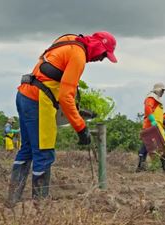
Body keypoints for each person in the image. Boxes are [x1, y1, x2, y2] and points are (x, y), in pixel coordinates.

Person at [7, 31, 117, 205]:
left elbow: (53, 75)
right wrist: (81, 128)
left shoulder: (68, 39)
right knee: (44, 152)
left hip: (24, 95)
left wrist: (77, 109)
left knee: (27, 149)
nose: (101, 59)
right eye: (104, 54)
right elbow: (65, 97)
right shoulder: (78, 56)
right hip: (37, 102)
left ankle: (12, 200)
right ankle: (40, 205)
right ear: (98, 46)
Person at [136, 83, 165, 173]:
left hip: (156, 126)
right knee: (159, 146)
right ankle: (164, 167)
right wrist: (152, 120)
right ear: (158, 90)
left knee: (152, 146)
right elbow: (148, 109)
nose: (163, 93)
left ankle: (141, 166)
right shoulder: (151, 97)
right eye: (162, 90)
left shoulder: (156, 99)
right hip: (151, 126)